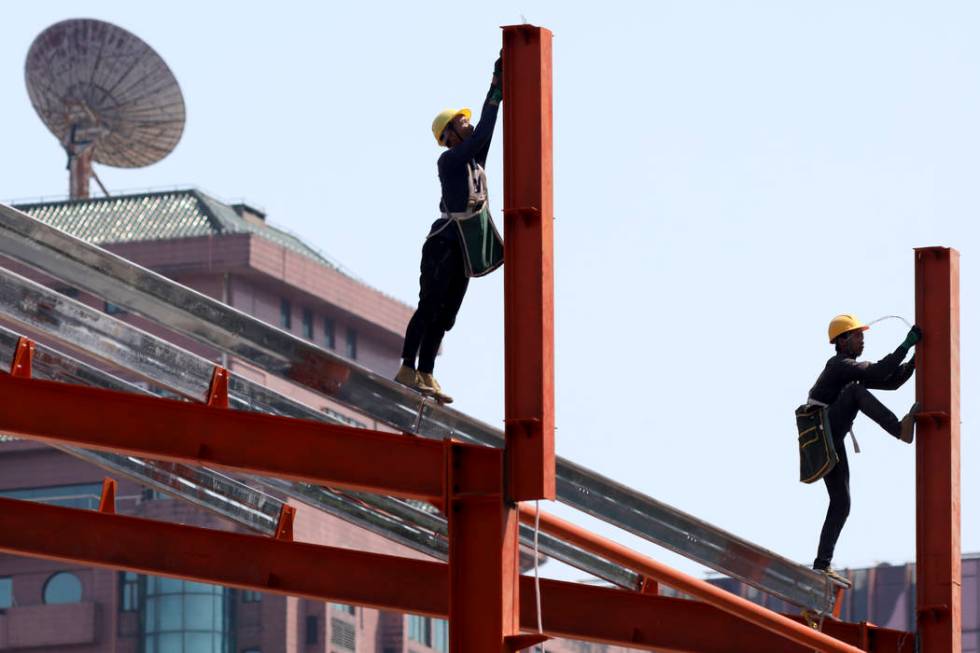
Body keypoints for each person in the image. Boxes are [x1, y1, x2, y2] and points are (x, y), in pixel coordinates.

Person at [394, 55, 503, 404]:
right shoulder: (450, 160)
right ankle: (407, 367)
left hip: (464, 246)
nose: (469, 126)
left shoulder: (472, 161)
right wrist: (495, 89)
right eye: (462, 123)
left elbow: (487, 126)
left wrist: (495, 91)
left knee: (446, 315)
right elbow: (483, 132)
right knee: (430, 305)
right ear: (450, 136)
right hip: (443, 243)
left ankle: (426, 372)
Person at [807, 314, 921, 582]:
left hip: (829, 438)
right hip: (825, 435)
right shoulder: (839, 366)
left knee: (842, 503)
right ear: (842, 340)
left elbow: (890, 382)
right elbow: (880, 371)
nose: (862, 340)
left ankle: (821, 565)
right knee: (856, 392)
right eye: (857, 336)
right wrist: (905, 346)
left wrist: (915, 361)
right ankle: (899, 429)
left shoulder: (848, 369)